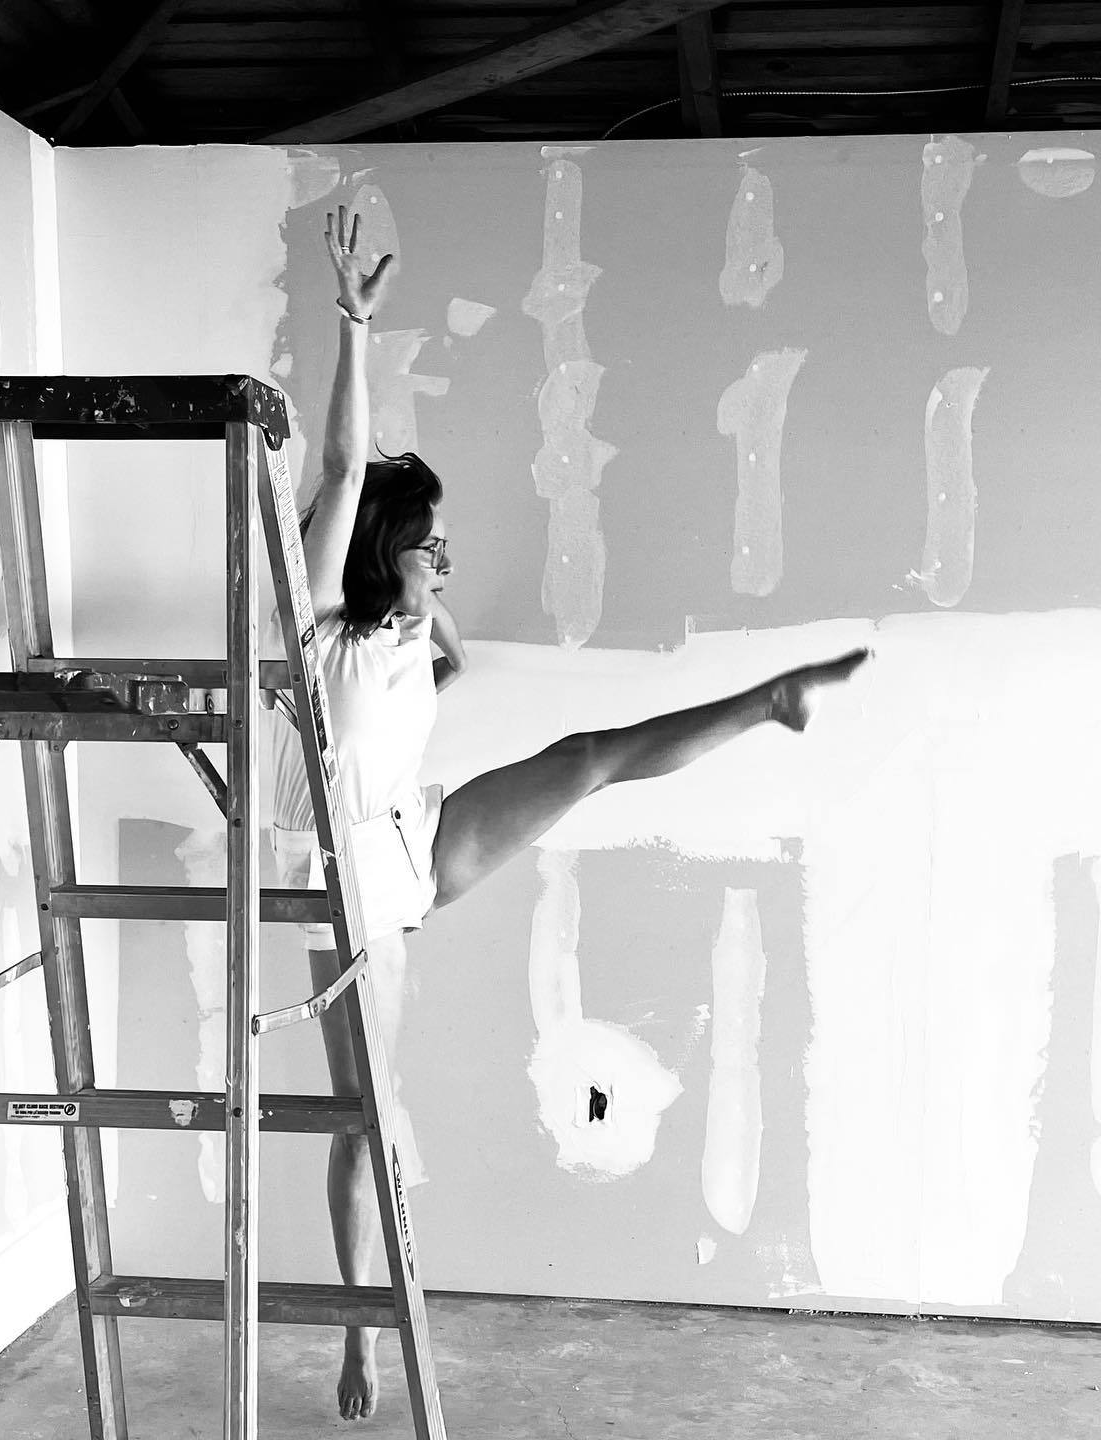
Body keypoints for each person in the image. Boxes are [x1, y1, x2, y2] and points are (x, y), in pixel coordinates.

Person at [269, 206, 870, 1423]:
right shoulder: (321, 623)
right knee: (367, 1116)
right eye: (431, 544)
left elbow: (439, 651)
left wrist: (426, 611)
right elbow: (341, 472)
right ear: (379, 551)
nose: (446, 556)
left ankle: (770, 701)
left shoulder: (405, 638)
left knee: (587, 757)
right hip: (342, 883)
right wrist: (353, 326)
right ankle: (362, 1331)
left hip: (406, 837)